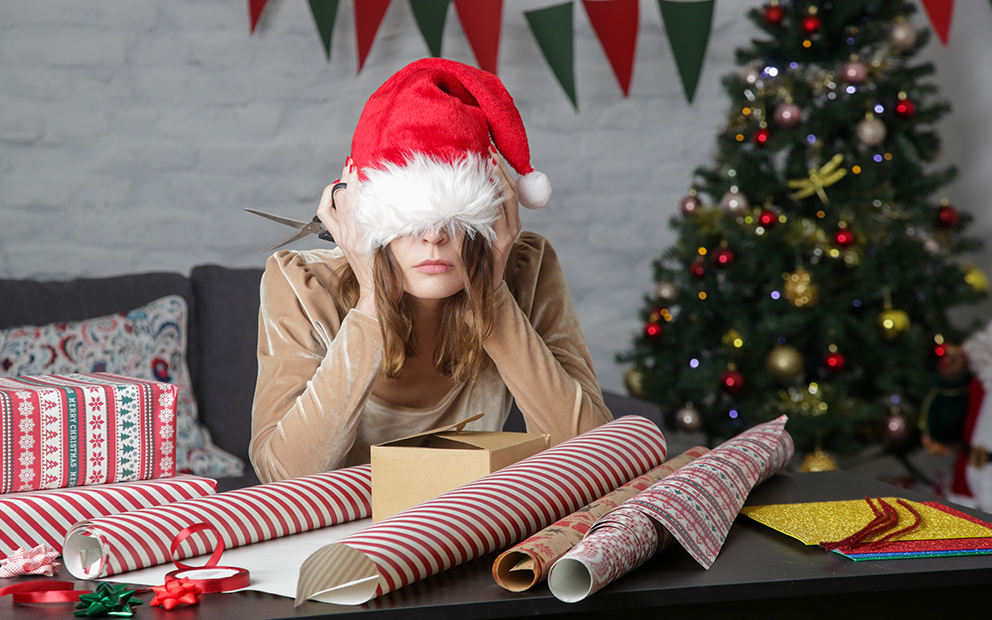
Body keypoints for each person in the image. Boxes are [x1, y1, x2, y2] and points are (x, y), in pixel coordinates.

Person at [249, 58, 612, 483]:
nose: (434, 237)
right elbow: (281, 476)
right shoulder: (300, 283)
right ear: (368, 217)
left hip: (468, 532)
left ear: (489, 215)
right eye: (408, 217)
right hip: (347, 540)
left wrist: (492, 295)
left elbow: (595, 456)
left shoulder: (526, 268)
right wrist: (371, 301)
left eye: (456, 215)